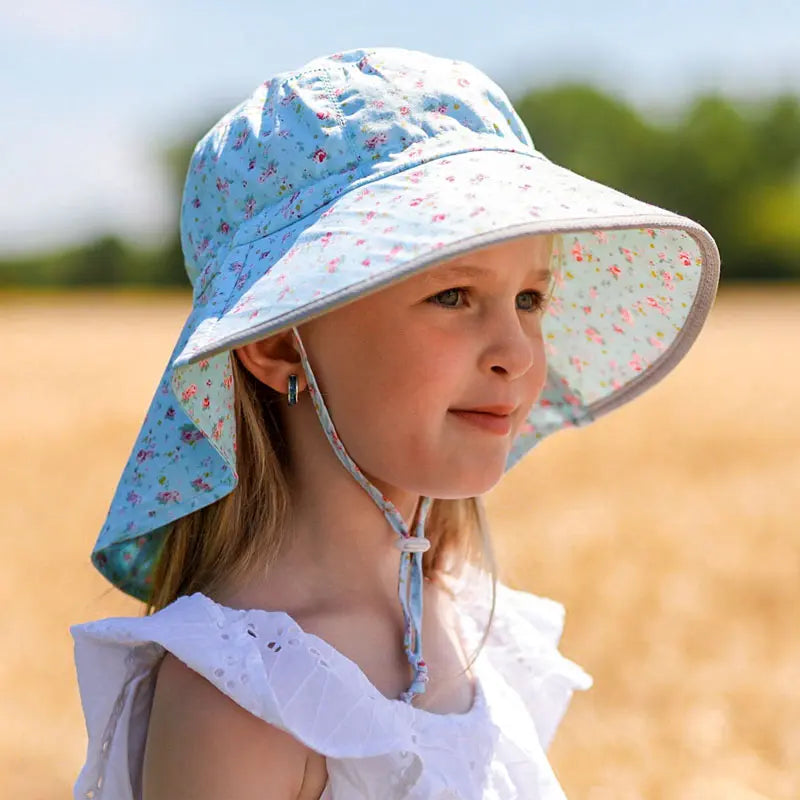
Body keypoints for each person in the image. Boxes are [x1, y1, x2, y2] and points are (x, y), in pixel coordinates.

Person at [70, 46, 720, 800]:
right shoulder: (245, 697)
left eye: (530, 299)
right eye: (452, 297)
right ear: (280, 342)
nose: (516, 352)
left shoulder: (473, 622)